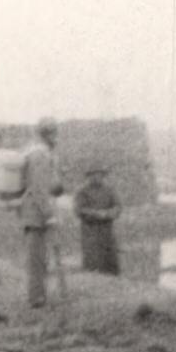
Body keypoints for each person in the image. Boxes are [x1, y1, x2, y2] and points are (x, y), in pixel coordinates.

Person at [18, 116, 63, 308]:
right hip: (35, 214)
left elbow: (47, 185)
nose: (56, 137)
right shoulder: (39, 154)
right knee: (36, 258)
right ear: (47, 134)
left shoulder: (39, 153)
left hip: (35, 212)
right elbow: (38, 188)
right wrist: (49, 214)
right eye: (53, 133)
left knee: (40, 257)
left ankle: (39, 296)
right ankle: (36, 299)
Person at [74, 166, 121, 276]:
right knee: (93, 260)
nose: (96, 177)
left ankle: (112, 281)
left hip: (107, 230)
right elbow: (79, 210)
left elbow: (118, 206)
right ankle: (93, 279)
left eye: (99, 174)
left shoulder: (109, 189)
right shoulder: (82, 191)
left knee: (111, 260)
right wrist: (96, 214)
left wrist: (109, 213)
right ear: (89, 176)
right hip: (90, 230)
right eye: (93, 175)